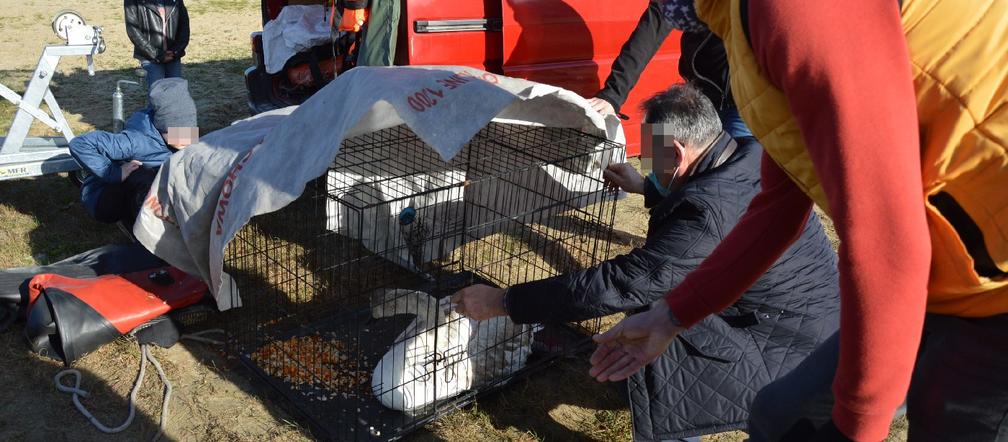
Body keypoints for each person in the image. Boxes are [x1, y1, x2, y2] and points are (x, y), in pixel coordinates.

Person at [589, 1, 1008, 441]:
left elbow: (886, 241)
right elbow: (779, 204)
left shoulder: (795, 11)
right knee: (783, 419)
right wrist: (670, 317)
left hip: (993, 283)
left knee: (951, 420)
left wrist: (854, 428)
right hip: (948, 264)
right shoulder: (738, 26)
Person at [453, 84, 841, 441]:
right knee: (652, 311)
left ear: (676, 151)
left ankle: (675, 432)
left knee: (651, 317)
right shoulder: (749, 153)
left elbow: (620, 282)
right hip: (814, 324)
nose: (649, 166)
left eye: (654, 158)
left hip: (783, 349)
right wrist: (647, 186)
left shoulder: (705, 214)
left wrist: (502, 302)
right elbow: (703, 194)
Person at [587, 0, 751, 139]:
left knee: (732, 169)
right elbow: (649, 32)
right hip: (701, 91)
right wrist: (611, 96)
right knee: (657, 131)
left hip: (746, 103)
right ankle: (652, 176)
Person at [69, 78, 198, 227]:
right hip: (102, 199)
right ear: (162, 127)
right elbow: (80, 144)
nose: (187, 139)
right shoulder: (135, 141)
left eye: (190, 131)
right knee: (144, 177)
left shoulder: (182, 135)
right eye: (178, 133)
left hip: (141, 189)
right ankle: (145, 234)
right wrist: (114, 173)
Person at [125, 0, 190, 90]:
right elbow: (133, 30)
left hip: (173, 56)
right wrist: (155, 54)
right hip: (150, 58)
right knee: (157, 97)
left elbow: (184, 24)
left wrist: (176, 50)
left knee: (175, 94)